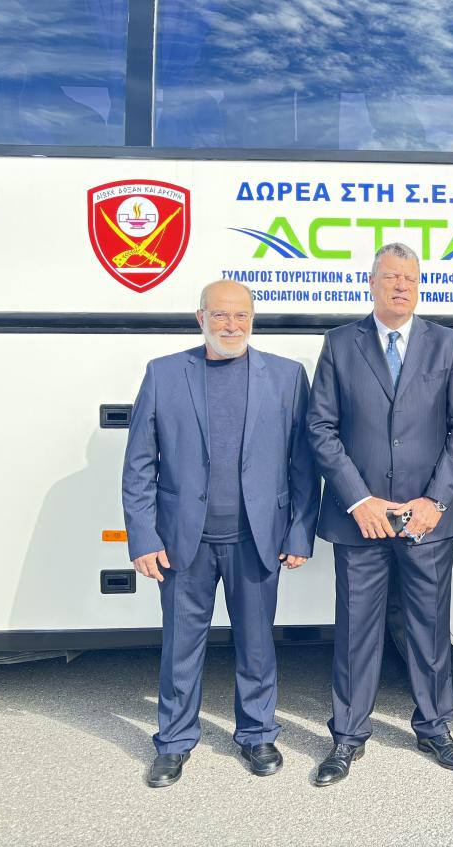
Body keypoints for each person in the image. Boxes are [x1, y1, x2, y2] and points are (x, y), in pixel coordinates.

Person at [122, 280, 319, 788]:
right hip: (182, 542)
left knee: (257, 645)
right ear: (200, 318)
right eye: (220, 315)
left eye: (241, 316)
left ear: (252, 319)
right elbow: (139, 464)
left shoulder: (287, 377)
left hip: (257, 538)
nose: (231, 325)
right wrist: (143, 537)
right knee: (180, 648)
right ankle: (173, 742)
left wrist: (299, 533)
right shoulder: (164, 374)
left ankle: (257, 734)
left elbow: (303, 464)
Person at [307, 242, 453, 785]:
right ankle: (347, 735)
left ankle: (435, 727)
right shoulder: (340, 344)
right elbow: (321, 428)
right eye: (391, 277)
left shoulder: (445, 343)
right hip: (363, 519)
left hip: (426, 519)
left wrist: (435, 501)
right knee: (357, 630)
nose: (401, 286)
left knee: (430, 627)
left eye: (410, 279)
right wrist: (359, 500)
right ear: (372, 283)